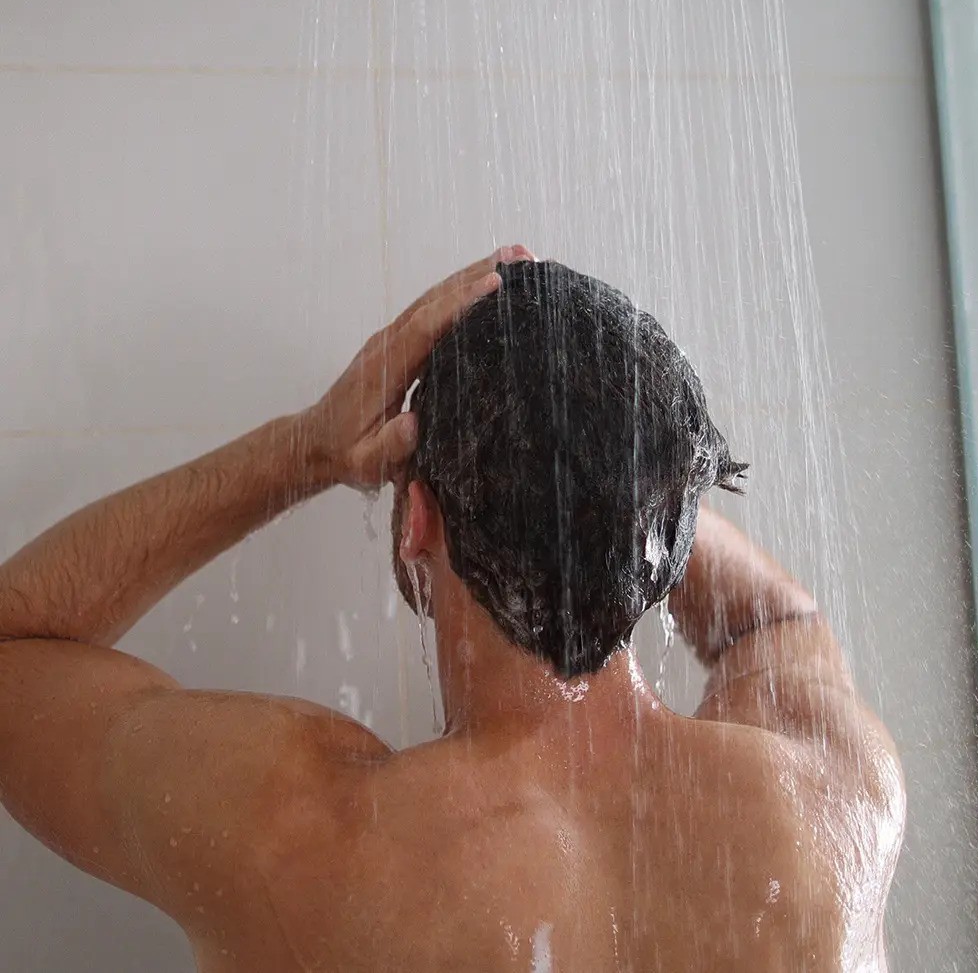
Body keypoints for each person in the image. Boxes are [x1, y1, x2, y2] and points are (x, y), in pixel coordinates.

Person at [0, 250, 904, 972]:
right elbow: (776, 619)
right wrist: (616, 477)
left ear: (416, 519)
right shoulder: (833, 804)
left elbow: (16, 641)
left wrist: (310, 449)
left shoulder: (299, 835)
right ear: (666, 530)